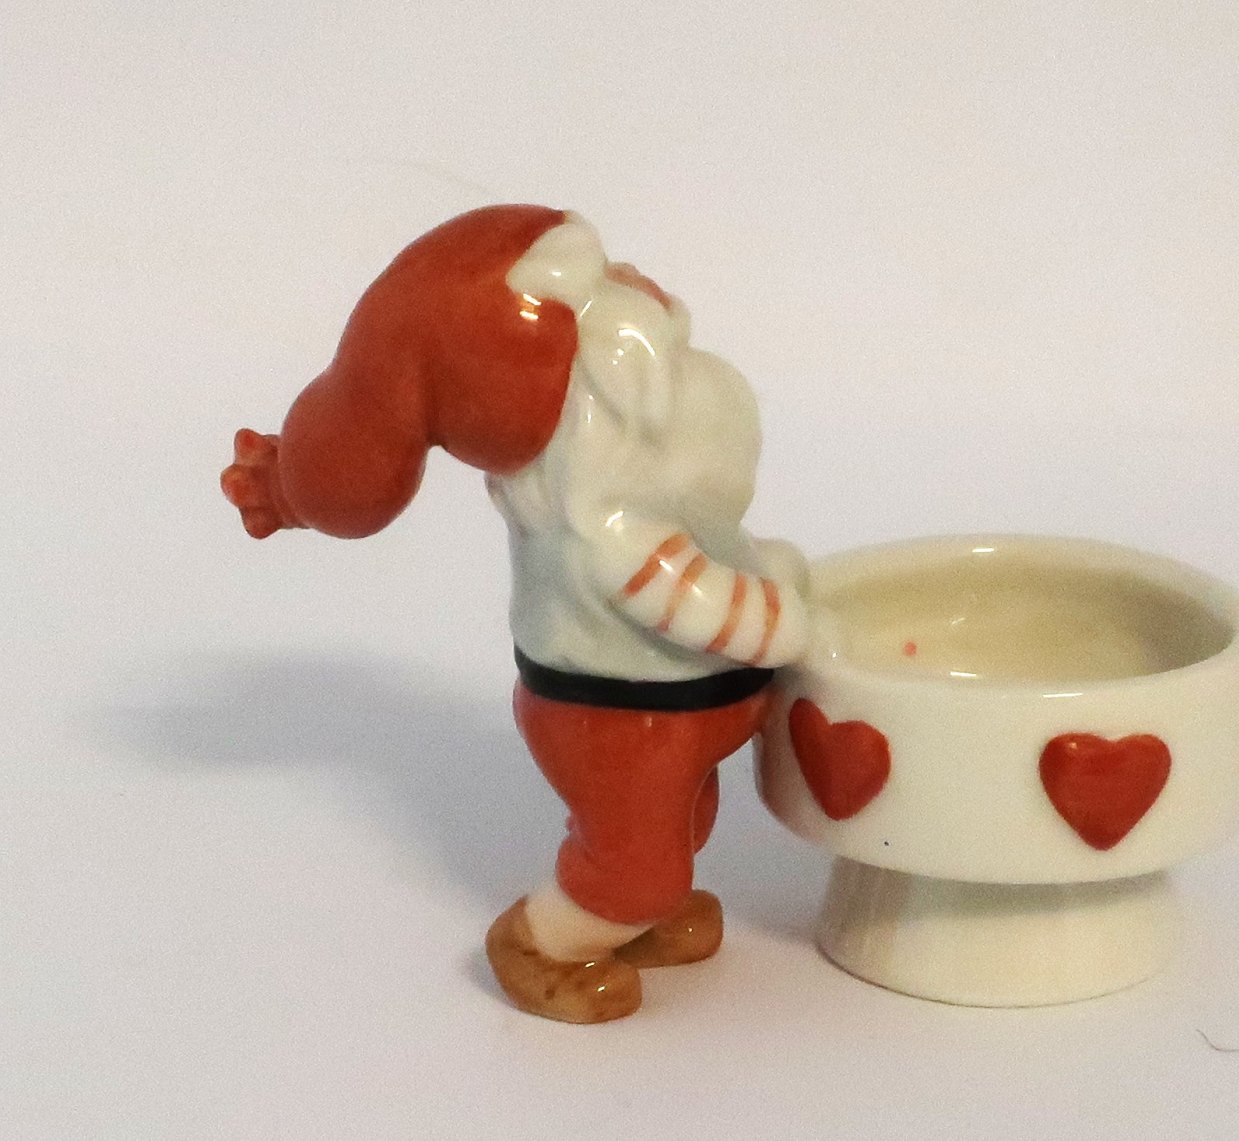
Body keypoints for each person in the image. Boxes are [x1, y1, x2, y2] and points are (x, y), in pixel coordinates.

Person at [221, 205, 811, 1022]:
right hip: (616, 722)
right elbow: (725, 615)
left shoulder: (652, 502)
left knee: (679, 824)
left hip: (672, 715)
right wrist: (788, 612)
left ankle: (636, 909)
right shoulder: (614, 538)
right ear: (611, 424)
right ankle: (545, 942)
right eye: (671, 371)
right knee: (638, 858)